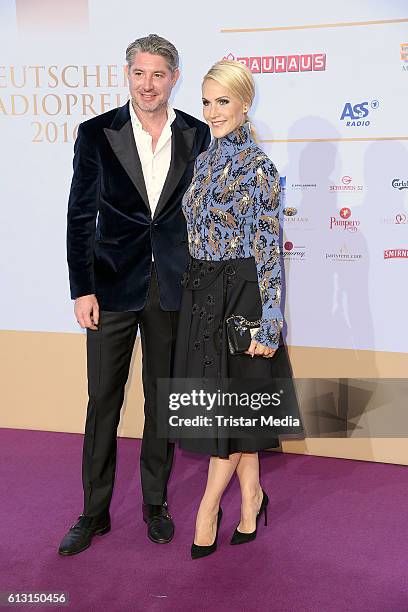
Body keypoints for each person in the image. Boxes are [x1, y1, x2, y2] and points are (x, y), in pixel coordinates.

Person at [59, 34, 210, 556]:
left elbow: (203, 219)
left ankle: (155, 503)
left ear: (174, 77)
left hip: (172, 288)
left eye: (159, 75)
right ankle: (93, 513)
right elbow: (80, 218)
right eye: (139, 73)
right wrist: (83, 289)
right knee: (103, 400)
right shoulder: (96, 133)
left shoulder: (196, 133)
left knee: (163, 401)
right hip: (111, 287)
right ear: (127, 74)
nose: (148, 84)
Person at [173, 60, 299, 558]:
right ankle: (252, 496)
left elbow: (268, 245)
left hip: (240, 297)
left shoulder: (260, 168)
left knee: (229, 410)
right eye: (206, 101)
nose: (212, 111)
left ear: (246, 104)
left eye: (222, 101)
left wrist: (271, 318)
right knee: (231, 413)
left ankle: (207, 509)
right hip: (201, 292)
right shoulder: (203, 161)